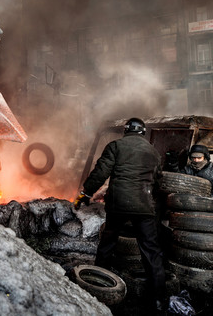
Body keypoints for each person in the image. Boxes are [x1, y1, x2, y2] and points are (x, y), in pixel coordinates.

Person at [74, 117, 166, 311]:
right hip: (144, 206)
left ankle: (99, 288)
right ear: (143, 133)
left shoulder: (115, 146)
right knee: (151, 250)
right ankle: (158, 300)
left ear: (126, 131)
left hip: (118, 204)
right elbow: (158, 181)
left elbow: (100, 172)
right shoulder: (153, 151)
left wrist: (86, 194)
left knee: (108, 243)